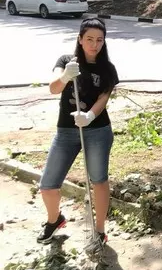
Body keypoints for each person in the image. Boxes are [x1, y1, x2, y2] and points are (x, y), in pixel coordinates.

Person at [37, 18, 119, 245]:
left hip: (98, 131)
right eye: (89, 39)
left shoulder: (107, 69)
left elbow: (103, 99)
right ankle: (55, 220)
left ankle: (99, 231)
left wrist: (89, 116)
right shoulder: (66, 61)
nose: (94, 45)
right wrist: (65, 76)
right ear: (80, 39)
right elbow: (53, 88)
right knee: (47, 185)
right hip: (66, 131)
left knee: (98, 180)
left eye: (99, 40)